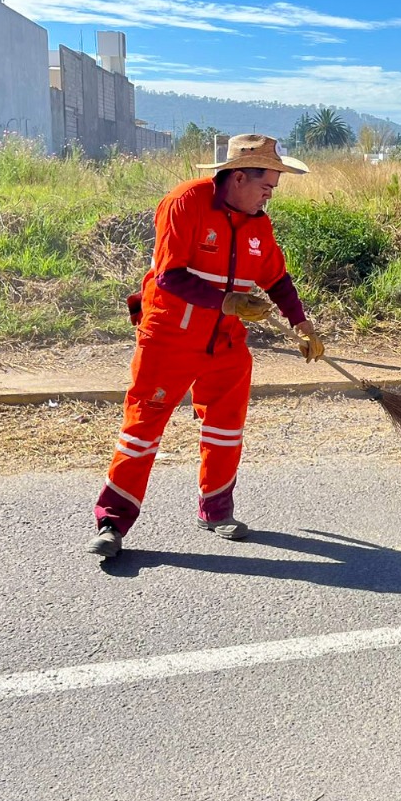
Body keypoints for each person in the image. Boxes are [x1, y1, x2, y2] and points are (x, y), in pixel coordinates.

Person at [86, 134, 325, 559]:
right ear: (236, 178)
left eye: (273, 188)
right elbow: (169, 276)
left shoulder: (258, 224)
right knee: (142, 430)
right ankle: (112, 522)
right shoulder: (185, 203)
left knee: (226, 429)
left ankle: (216, 511)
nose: (270, 196)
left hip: (227, 343)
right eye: (266, 186)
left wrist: (302, 323)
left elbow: (277, 279)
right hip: (170, 339)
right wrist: (230, 301)